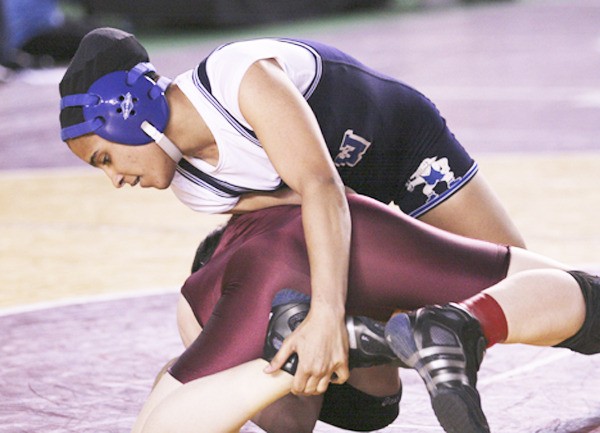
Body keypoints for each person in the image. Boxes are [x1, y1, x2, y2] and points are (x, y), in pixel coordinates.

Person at [59, 27, 526, 399]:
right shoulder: (195, 189)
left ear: (126, 111)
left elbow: (322, 189)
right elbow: (306, 218)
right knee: (377, 378)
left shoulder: (233, 77)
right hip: (350, 200)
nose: (115, 179)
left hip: (403, 146)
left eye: (105, 159)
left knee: (519, 283)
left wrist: (326, 313)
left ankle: (421, 329)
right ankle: (408, 335)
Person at [128, 193, 598, 433]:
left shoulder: (198, 298)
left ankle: (325, 348)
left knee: (356, 406)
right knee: (588, 298)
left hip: (286, 298)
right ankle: (460, 324)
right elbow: (321, 181)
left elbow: (292, 424)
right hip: (346, 225)